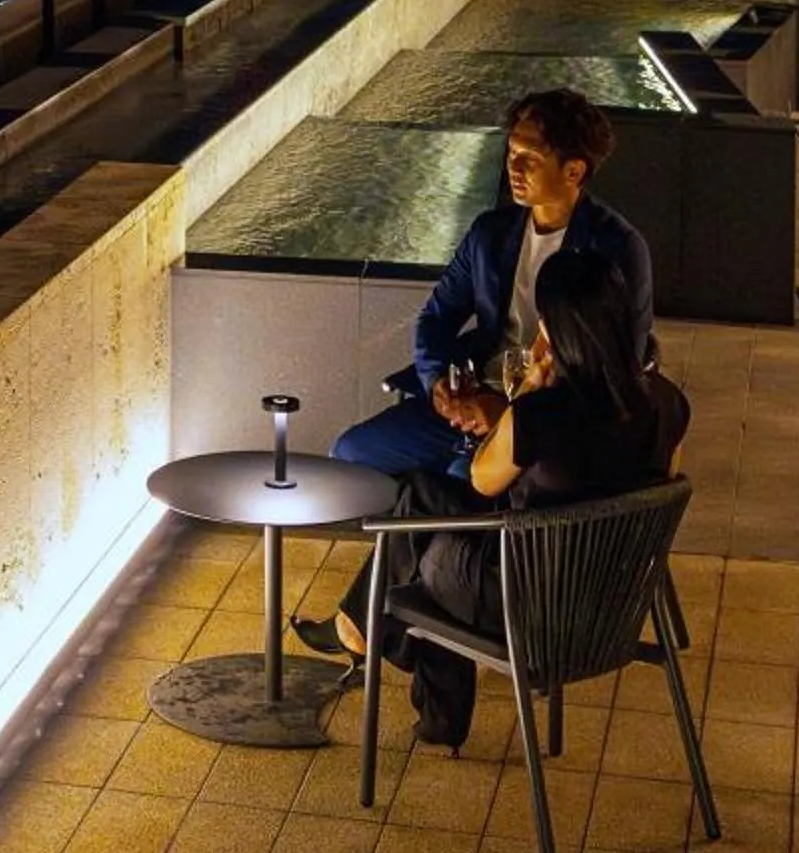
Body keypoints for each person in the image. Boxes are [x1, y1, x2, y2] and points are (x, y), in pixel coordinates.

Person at [293, 251, 687, 745]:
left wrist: (523, 397)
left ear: (556, 328)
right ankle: (381, 644)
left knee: (423, 541)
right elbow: (660, 484)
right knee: (430, 515)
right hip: (610, 605)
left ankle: (367, 628)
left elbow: (481, 482)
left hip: (524, 606)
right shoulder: (669, 402)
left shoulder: (542, 416)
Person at [329, 87, 654, 479]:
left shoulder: (617, 249)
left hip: (547, 418)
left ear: (574, 171)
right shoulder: (491, 233)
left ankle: (431, 529)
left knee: (461, 480)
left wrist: (517, 413)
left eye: (529, 158)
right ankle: (408, 533)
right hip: (472, 398)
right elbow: (437, 317)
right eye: (512, 153)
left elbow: (618, 369)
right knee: (349, 453)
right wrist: (438, 387)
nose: (513, 168)